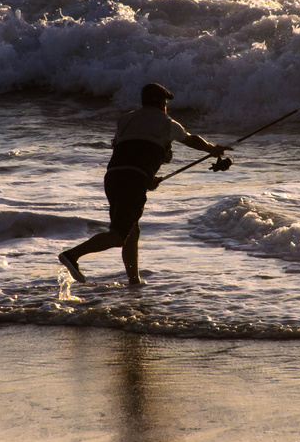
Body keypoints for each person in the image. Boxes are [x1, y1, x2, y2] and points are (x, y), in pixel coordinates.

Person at [59, 83, 228, 288]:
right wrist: (214, 149)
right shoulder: (166, 122)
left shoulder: (125, 120)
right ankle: (72, 255)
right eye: (166, 102)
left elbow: (129, 151)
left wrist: (147, 178)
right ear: (160, 102)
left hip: (113, 177)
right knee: (119, 235)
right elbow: (191, 139)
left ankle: (134, 281)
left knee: (131, 229)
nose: (166, 107)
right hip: (133, 179)